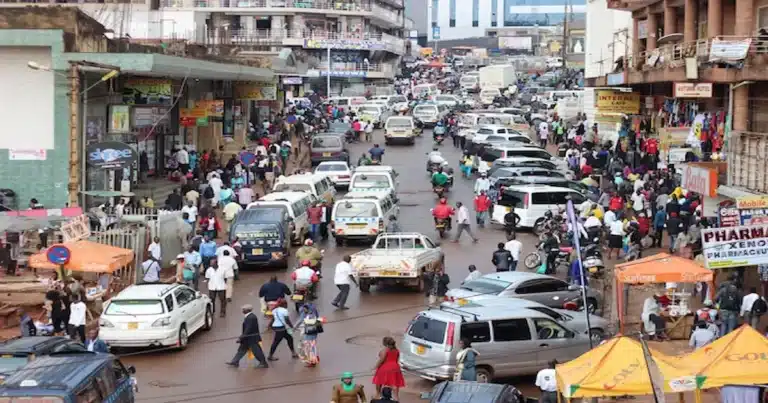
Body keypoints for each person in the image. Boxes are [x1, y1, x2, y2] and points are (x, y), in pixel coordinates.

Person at [226, 304, 269, 368]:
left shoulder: (251, 317)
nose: (242, 310)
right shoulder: (249, 316)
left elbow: (248, 329)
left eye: (243, 309)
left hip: (252, 338)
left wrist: (241, 338)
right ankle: (235, 361)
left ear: (247, 310)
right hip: (247, 338)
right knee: (241, 350)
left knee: (257, 351)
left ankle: (263, 363)